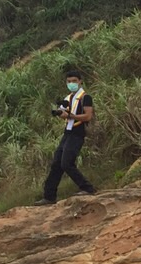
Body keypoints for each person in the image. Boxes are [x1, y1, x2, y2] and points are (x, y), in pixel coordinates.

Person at [38, 70, 97, 205]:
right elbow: (65, 112)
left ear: (80, 81)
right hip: (68, 133)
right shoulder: (68, 98)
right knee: (56, 164)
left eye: (74, 81)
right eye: (69, 82)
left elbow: (88, 116)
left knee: (66, 163)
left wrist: (70, 116)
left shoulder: (85, 97)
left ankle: (87, 188)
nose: (71, 84)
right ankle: (49, 196)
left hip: (78, 133)